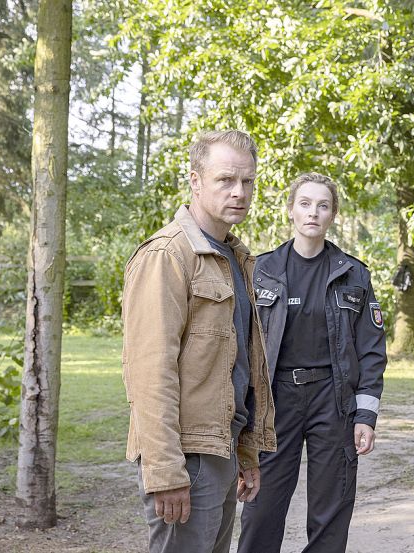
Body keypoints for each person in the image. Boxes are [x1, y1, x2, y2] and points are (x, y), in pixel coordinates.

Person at [122, 129, 277, 553]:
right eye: (225, 180)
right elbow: (149, 373)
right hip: (186, 458)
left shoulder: (235, 256)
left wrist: (246, 453)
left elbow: (238, 367)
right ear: (195, 180)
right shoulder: (168, 256)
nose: (239, 192)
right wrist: (166, 471)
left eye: (248, 181)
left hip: (221, 449)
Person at [238, 172, 387, 553]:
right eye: (305, 203)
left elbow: (372, 351)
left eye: (323, 205)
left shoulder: (353, 274)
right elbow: (241, 347)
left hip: (333, 400)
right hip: (275, 402)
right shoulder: (261, 271)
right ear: (291, 210)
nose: (313, 213)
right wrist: (241, 418)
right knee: (261, 507)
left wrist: (365, 416)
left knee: (331, 510)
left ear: (333, 214)